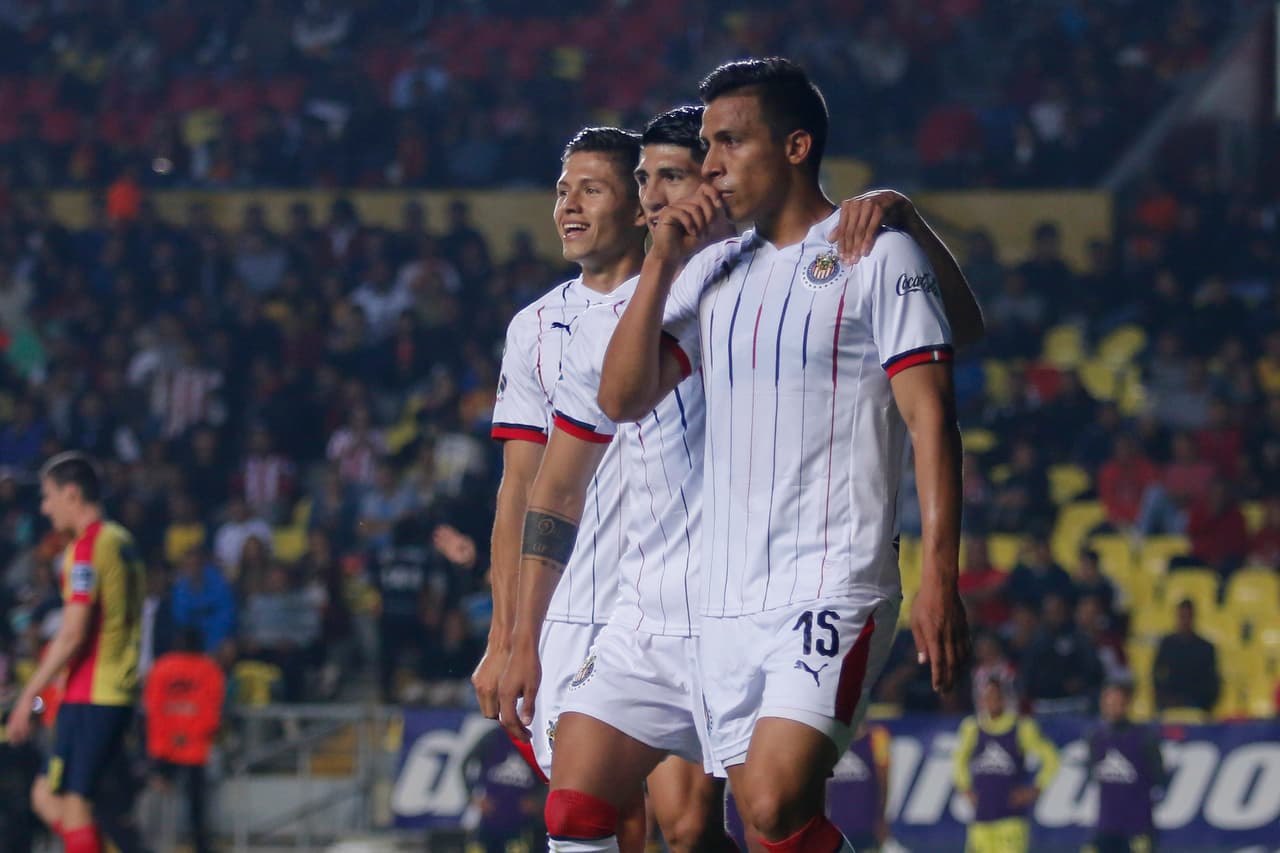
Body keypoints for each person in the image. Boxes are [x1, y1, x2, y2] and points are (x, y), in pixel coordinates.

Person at [599, 57, 980, 851]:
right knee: (761, 827)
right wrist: (664, 258)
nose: (709, 166)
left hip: (830, 582)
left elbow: (933, 421)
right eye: (705, 146)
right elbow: (622, 397)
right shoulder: (714, 275)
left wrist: (941, 573)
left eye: (730, 142)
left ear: (797, 145)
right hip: (725, 598)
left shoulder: (877, 252)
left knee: (771, 802)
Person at [475, 126, 647, 851]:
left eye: (591, 188)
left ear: (642, 205)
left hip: (667, 594)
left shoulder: (688, 301)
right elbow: (517, 490)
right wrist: (505, 633)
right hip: (569, 606)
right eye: (561, 190)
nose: (568, 206)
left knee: (691, 818)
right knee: (600, 813)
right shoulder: (535, 327)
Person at [6, 452, 145, 853]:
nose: (45, 508)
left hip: (92, 692)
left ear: (72, 494)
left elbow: (72, 633)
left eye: (49, 497)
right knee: (48, 798)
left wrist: (25, 697)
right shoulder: (122, 541)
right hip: (114, 689)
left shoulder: (85, 549)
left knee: (74, 805)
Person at [953, 676, 1060, 853]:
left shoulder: (1021, 727)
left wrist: (1036, 788)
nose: (991, 701)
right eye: (987, 696)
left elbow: (1051, 758)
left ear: (1004, 698)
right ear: (980, 700)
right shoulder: (972, 728)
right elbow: (958, 761)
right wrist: (965, 788)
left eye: (996, 696)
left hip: (1011, 819)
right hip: (981, 818)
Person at [143, 627, 225, 853]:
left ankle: (146, 846)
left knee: (155, 803)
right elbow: (211, 712)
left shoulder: (161, 668)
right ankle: (201, 848)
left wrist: (165, 742)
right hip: (195, 749)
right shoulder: (209, 669)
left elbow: (153, 709)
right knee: (197, 809)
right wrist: (190, 736)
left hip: (162, 748)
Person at [1087, 681, 1165, 853]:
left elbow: (1159, 777)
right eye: (1108, 703)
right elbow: (1092, 772)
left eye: (1116, 702)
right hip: (1106, 826)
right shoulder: (1096, 738)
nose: (1111, 707)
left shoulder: (1144, 737)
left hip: (1137, 825)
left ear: (1126, 704)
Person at [829, 722, 892, 851]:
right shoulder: (830, 738)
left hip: (866, 826)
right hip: (835, 826)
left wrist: (881, 818)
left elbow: (883, 781)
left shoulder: (877, 736)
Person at [1152, 599, 1220, 712]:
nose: (1184, 620)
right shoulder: (1166, 644)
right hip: (1169, 703)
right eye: (1181, 616)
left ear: (1193, 617)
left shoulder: (1206, 648)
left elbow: (1211, 682)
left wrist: (1201, 702)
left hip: (1197, 703)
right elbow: (1157, 675)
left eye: (1188, 616)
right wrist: (1164, 698)